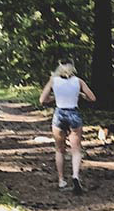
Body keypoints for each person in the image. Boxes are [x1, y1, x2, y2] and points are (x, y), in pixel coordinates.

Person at [39, 58, 96, 194]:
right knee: (76, 149)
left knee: (59, 149)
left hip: (59, 113)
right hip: (74, 113)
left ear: (59, 67)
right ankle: (75, 176)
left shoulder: (53, 80)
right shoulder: (79, 81)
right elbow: (92, 98)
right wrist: (80, 95)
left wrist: (54, 98)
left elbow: (42, 100)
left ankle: (61, 180)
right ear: (73, 68)